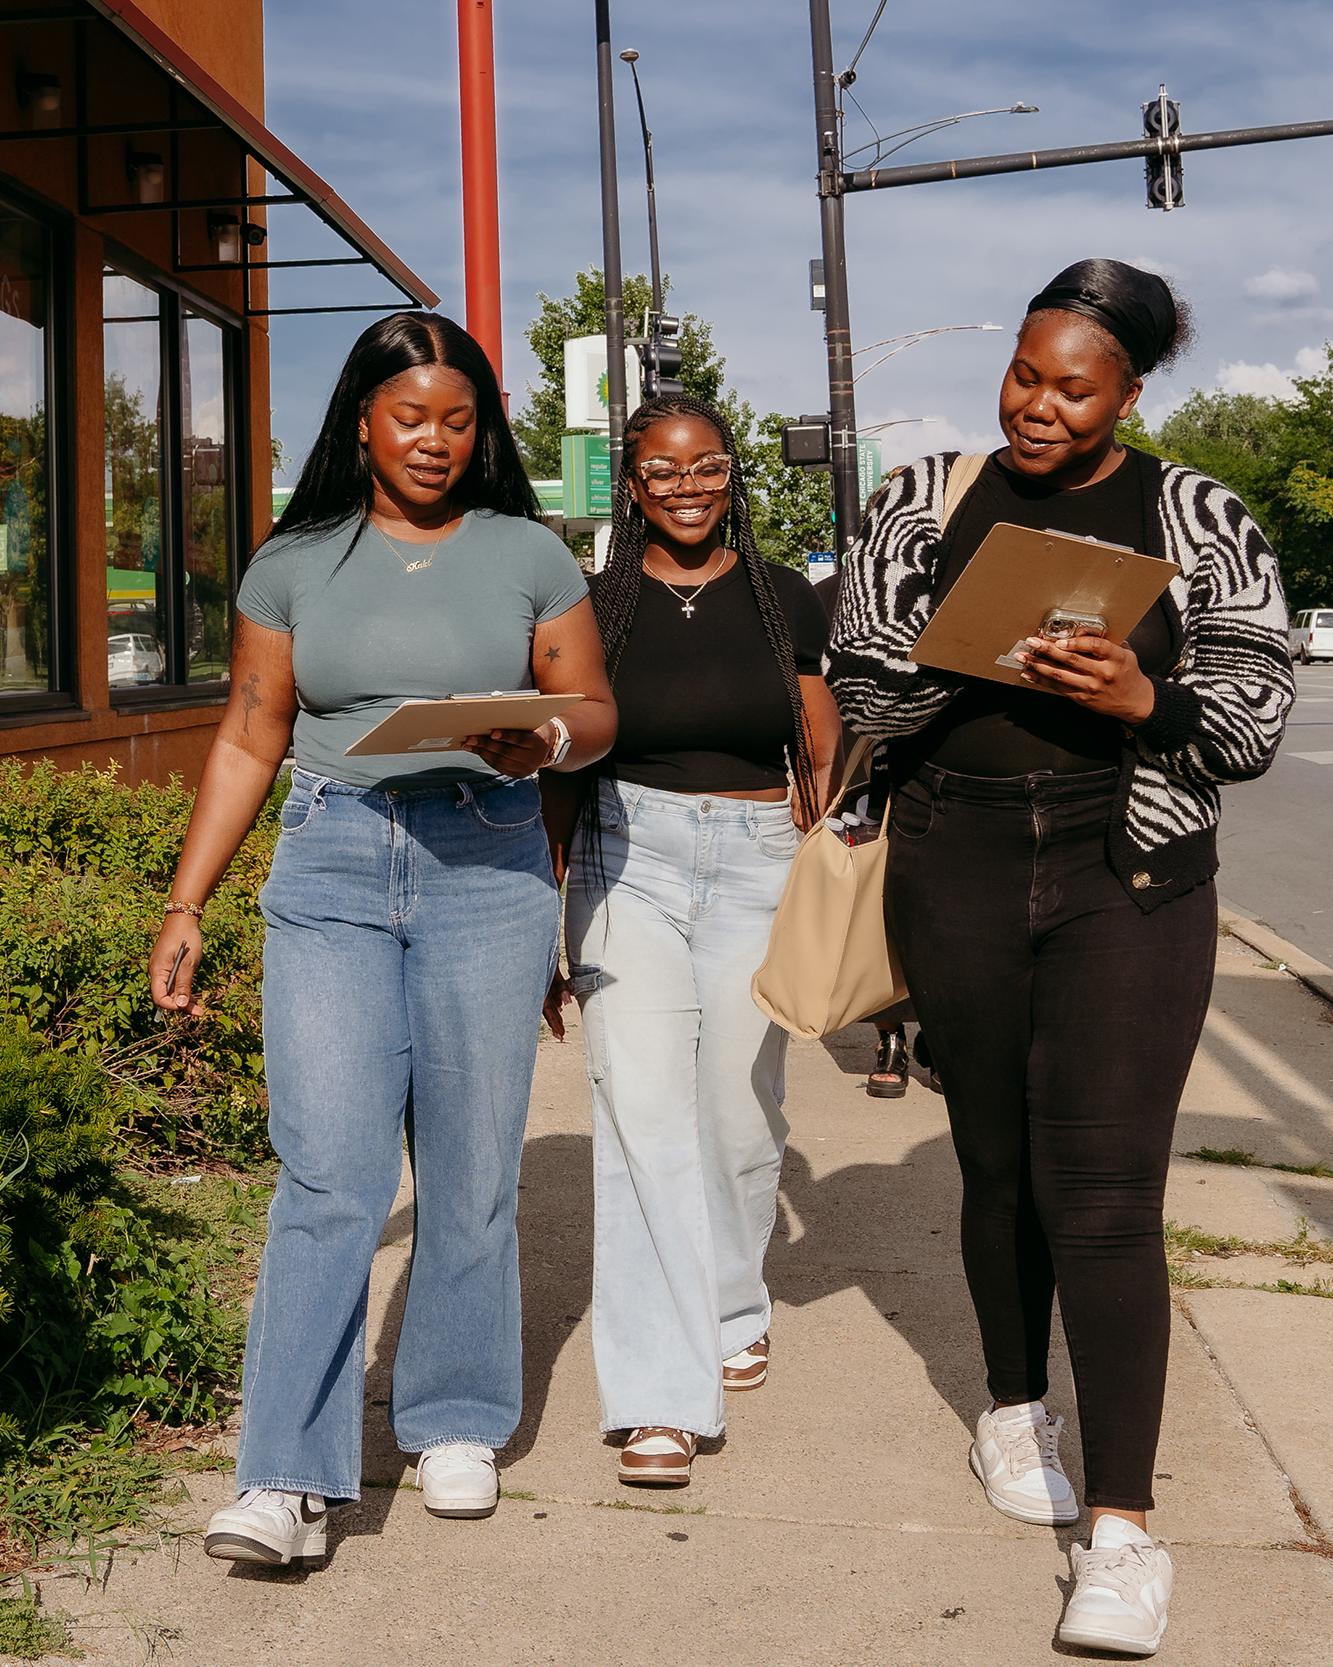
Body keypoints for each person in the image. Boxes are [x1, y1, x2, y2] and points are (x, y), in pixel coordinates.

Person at [826, 259, 1294, 1656]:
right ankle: (1012, 1403)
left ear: (1128, 393)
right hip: (952, 858)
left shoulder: (1192, 511)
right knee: (996, 1160)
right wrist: (975, 655)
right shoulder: (924, 495)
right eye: (1024, 374)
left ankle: (1123, 1529)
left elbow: (1255, 707)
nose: (1034, 405)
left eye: (1069, 386)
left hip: (1124, 867)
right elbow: (855, 672)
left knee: (1103, 1190)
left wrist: (1146, 693)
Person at [147, 312, 616, 1567]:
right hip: (335, 858)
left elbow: (593, 709)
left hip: (487, 863)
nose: (435, 440)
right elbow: (251, 731)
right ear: (362, 419)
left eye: (458, 420)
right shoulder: (294, 560)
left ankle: (455, 1419)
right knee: (329, 1170)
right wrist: (187, 900)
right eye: (411, 416)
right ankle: (284, 1474)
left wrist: (548, 740)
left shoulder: (528, 551)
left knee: (469, 1165)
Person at [543, 394, 842, 1487]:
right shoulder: (594, 605)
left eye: (705, 465)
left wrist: (828, 862)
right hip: (632, 857)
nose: (685, 485)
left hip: (761, 854)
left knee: (734, 1104)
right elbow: (567, 766)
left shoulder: (785, 601)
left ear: (731, 474)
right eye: (661, 470)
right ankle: (661, 1396)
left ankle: (728, 1298)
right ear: (630, 481)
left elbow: (821, 746)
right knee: (640, 1112)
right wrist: (550, 905)